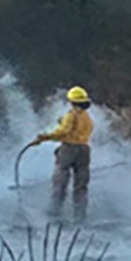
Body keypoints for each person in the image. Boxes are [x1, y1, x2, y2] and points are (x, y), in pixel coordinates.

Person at [29, 86, 94, 219]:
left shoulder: (71, 115)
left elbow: (63, 132)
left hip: (69, 149)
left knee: (60, 182)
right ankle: (80, 216)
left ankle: (54, 213)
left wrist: (43, 137)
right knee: (81, 186)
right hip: (84, 150)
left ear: (72, 101)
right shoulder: (87, 117)